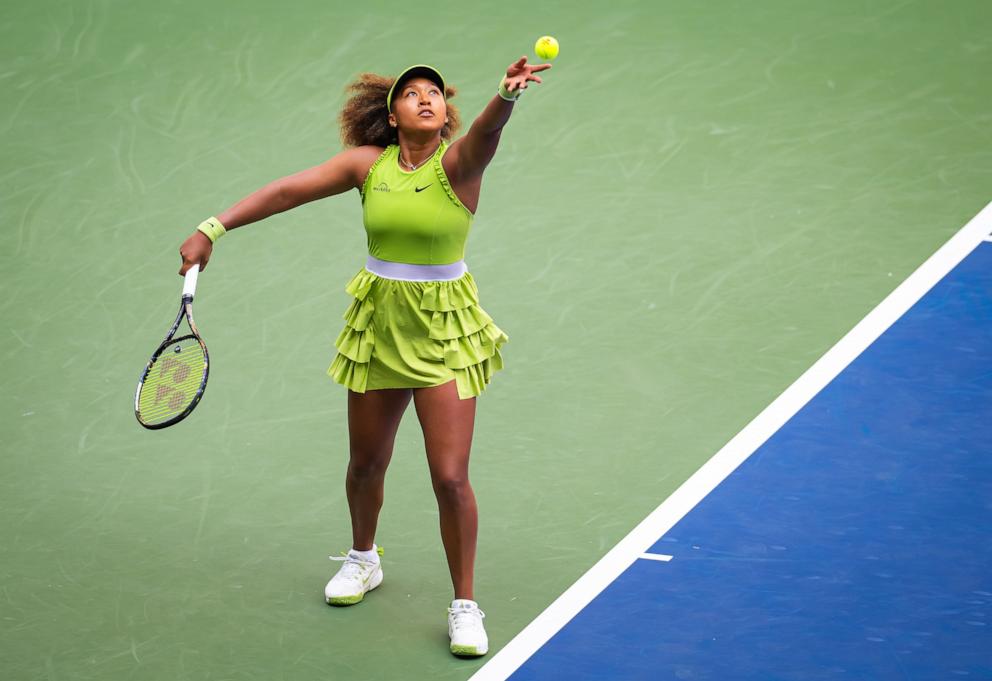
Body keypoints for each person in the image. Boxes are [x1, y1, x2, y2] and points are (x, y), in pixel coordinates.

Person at [178, 56, 551, 657]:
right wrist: (212, 229)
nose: (426, 99)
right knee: (364, 466)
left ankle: (464, 604)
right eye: (412, 93)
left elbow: (486, 135)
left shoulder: (458, 165)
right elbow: (285, 191)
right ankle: (363, 557)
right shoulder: (366, 167)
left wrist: (505, 98)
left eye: (435, 93)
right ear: (392, 112)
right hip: (378, 325)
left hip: (443, 333)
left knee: (450, 477)